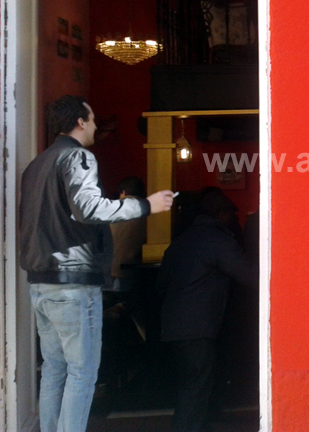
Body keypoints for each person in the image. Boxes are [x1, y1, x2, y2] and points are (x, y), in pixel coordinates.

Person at [18, 95, 174, 432]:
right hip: (72, 282)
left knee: (55, 369)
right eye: (92, 120)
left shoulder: (36, 165)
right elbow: (88, 208)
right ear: (79, 122)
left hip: (41, 280)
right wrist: (146, 205)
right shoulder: (77, 156)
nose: (94, 126)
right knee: (83, 371)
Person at [157, 189, 255, 432]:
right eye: (231, 214)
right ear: (221, 215)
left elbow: (161, 284)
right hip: (197, 326)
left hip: (173, 325)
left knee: (191, 383)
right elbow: (250, 275)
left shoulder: (182, 241)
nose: (234, 219)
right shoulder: (217, 241)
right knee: (196, 386)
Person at [109, 176, 148, 292]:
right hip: (134, 272)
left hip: (110, 272)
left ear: (123, 192)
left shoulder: (111, 209)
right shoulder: (148, 212)